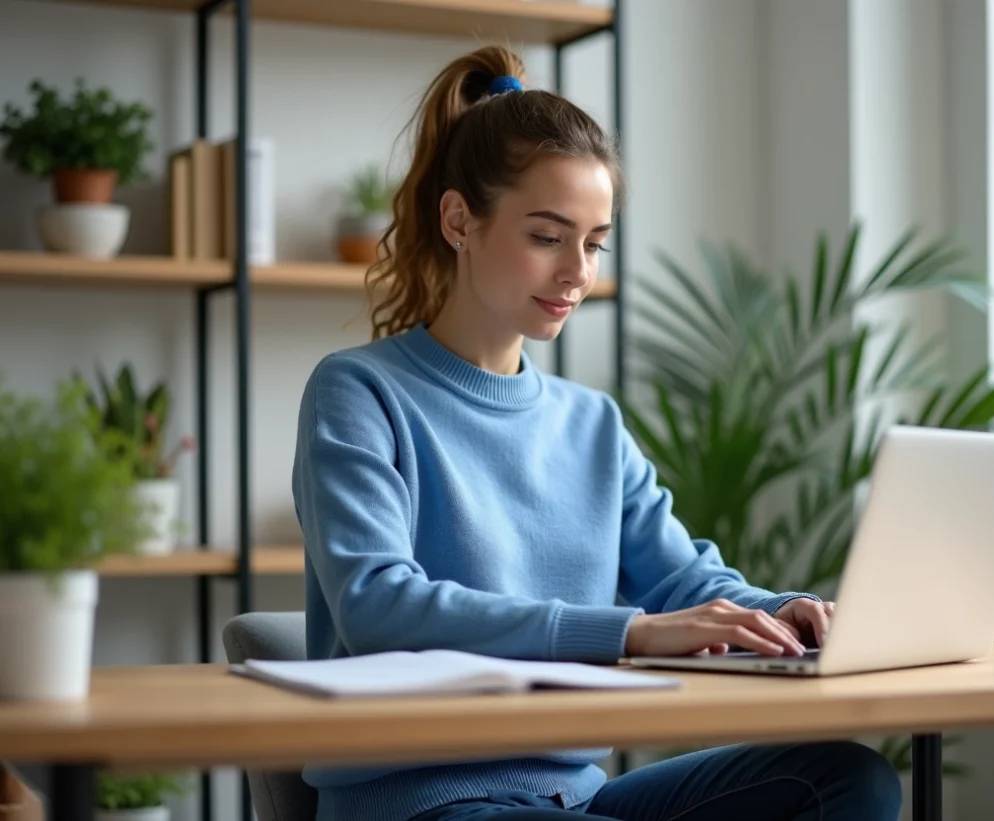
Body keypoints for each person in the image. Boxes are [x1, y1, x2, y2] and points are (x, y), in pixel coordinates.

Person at [291, 45, 902, 821]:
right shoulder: (359, 391)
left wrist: (779, 612)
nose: (578, 270)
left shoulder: (592, 424)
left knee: (851, 780)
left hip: (574, 798)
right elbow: (378, 604)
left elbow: (684, 582)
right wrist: (633, 633)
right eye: (548, 236)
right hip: (422, 804)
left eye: (594, 241)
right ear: (458, 220)